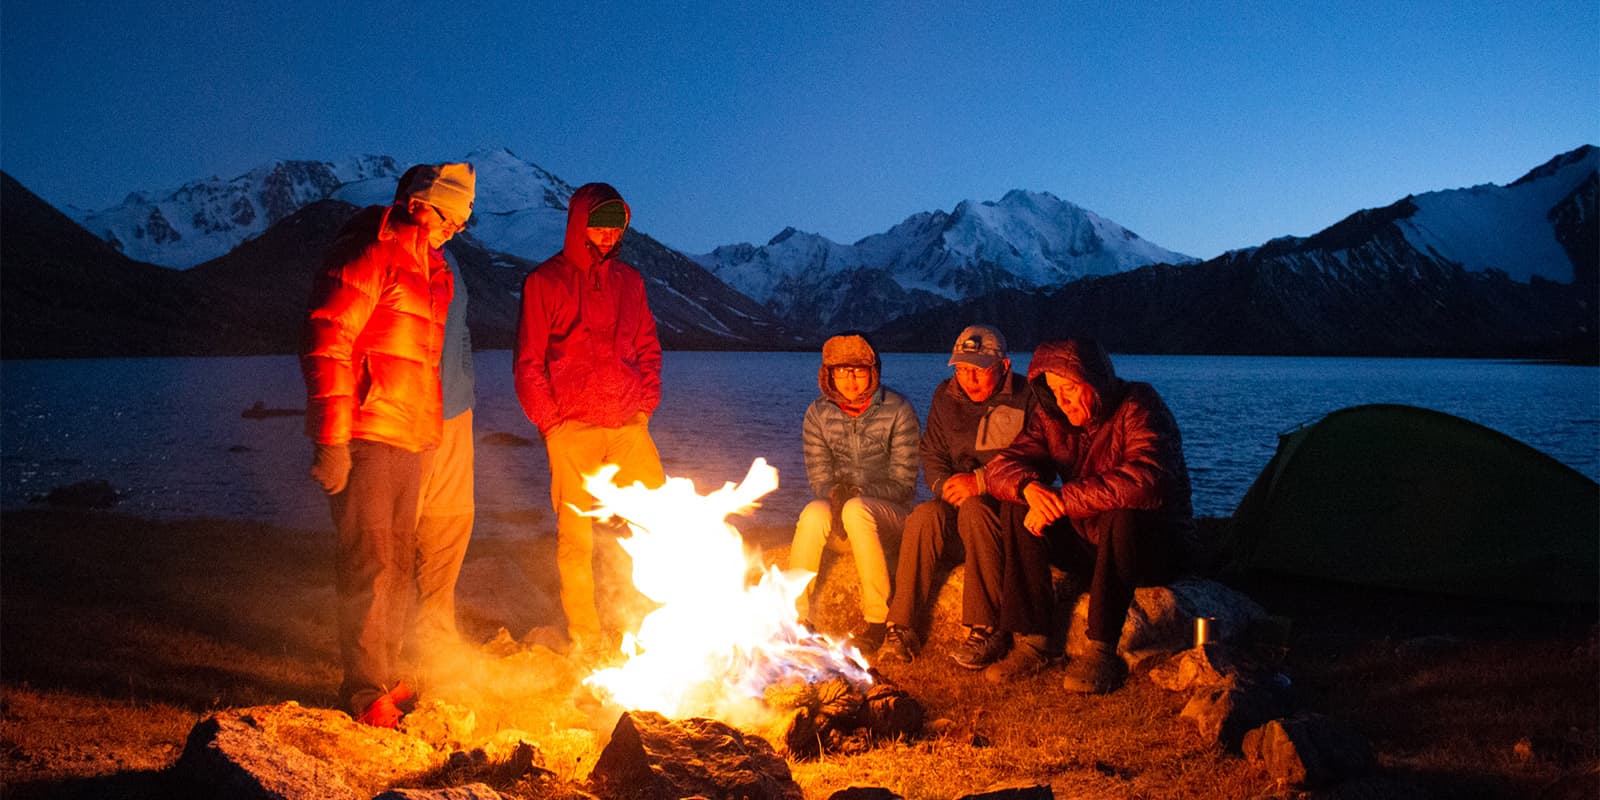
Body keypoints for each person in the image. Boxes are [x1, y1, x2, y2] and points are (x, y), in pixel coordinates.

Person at [302, 162, 476, 727]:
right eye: (449, 216)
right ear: (420, 205)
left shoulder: (431, 270)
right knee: (369, 564)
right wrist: (332, 439)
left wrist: (429, 434)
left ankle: (383, 675)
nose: (455, 228)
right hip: (368, 431)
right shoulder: (370, 252)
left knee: (398, 564)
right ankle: (361, 694)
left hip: (410, 436)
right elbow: (328, 339)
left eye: (462, 221)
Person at [986, 337, 1195, 694]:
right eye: (1054, 390)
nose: (1061, 399)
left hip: (1152, 544)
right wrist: (1029, 489)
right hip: (1091, 539)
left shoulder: (1138, 405)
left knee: (1122, 512)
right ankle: (1035, 639)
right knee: (1018, 504)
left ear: (1095, 380)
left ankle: (1102, 649)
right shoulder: (1053, 417)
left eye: (1069, 388)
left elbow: (1148, 479)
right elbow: (1001, 467)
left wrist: (1064, 499)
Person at [513, 182, 665, 661]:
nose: (606, 236)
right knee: (575, 543)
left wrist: (644, 409)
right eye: (598, 225)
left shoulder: (629, 282)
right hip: (571, 430)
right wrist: (552, 427)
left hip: (628, 427)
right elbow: (528, 363)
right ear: (579, 224)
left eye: (615, 227)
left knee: (658, 525)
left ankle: (656, 627)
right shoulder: (545, 283)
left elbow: (648, 349)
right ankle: (587, 637)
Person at [874, 325, 1036, 678]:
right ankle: (900, 627)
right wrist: (943, 484)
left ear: (1004, 365)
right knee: (924, 515)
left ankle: (987, 628)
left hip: (1004, 508)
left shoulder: (1028, 397)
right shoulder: (946, 396)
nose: (969, 380)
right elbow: (931, 450)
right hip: (956, 499)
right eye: (962, 370)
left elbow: (1035, 459)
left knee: (976, 509)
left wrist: (979, 482)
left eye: (979, 370)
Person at [788, 332, 921, 653]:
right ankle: (794, 618)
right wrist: (835, 492)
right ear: (828, 374)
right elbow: (818, 475)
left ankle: (878, 620)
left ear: (873, 372)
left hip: (889, 519)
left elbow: (903, 483)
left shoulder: (898, 410)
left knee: (856, 509)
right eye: (841, 370)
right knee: (812, 513)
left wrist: (858, 492)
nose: (850, 379)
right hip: (840, 512)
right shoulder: (818, 414)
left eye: (858, 370)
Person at [413, 258, 475, 652]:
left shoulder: (450, 259)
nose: (461, 221)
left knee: (449, 526)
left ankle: (434, 647)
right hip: (406, 416)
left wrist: (464, 384)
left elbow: (460, 329)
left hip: (454, 410)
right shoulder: (386, 249)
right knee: (393, 536)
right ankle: (377, 661)